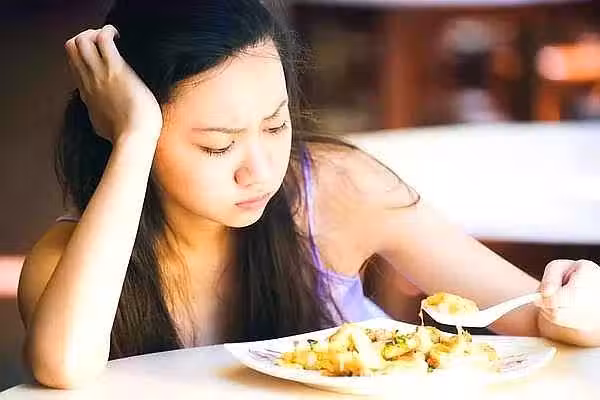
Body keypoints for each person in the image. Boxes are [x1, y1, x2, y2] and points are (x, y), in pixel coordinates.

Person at [17, 0, 600, 389]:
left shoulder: (335, 189)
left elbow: (538, 315)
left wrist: (579, 306)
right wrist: (134, 135)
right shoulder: (74, 260)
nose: (260, 170)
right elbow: (63, 367)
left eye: (275, 126)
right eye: (218, 145)